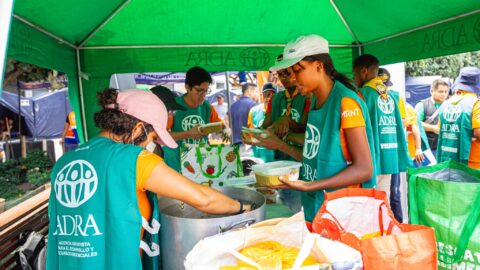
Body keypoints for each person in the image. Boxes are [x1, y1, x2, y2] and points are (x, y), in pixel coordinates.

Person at [47, 89, 250, 270]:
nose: (148, 147)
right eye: (152, 139)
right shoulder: (133, 159)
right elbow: (203, 199)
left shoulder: (65, 161)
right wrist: (242, 207)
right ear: (138, 128)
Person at [253, 34, 376, 222]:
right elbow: (315, 158)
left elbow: (364, 169)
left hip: (343, 213)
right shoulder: (316, 102)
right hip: (318, 207)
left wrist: (311, 185)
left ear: (318, 66)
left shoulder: (346, 102)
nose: (292, 78)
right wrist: (279, 145)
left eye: (297, 70)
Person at [352, 54, 410, 215]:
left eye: (354, 75)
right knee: (385, 204)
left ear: (364, 72)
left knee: (368, 205)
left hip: (371, 159)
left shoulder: (362, 94)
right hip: (389, 157)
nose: (354, 79)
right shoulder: (391, 95)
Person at [162, 66, 224, 172]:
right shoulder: (173, 106)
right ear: (187, 87)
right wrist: (189, 133)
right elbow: (162, 137)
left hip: (201, 162)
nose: (203, 95)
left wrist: (218, 131)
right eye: (199, 90)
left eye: (206, 91)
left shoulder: (207, 107)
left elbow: (221, 129)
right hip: (176, 164)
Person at [436, 67, 480, 169]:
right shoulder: (475, 104)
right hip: (472, 164)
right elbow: (478, 132)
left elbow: (440, 129)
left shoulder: (445, 104)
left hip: (447, 161)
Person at [415, 79, 449, 154]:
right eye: (440, 92)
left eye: (446, 92)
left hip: (445, 148)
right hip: (427, 149)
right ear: (431, 91)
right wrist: (433, 128)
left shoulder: (450, 105)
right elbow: (415, 124)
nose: (444, 94)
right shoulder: (422, 105)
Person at [246, 82, 277, 163]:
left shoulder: (280, 111)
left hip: (276, 156)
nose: (269, 98)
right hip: (259, 156)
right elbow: (250, 134)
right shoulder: (254, 111)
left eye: (272, 95)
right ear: (262, 96)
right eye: (266, 95)